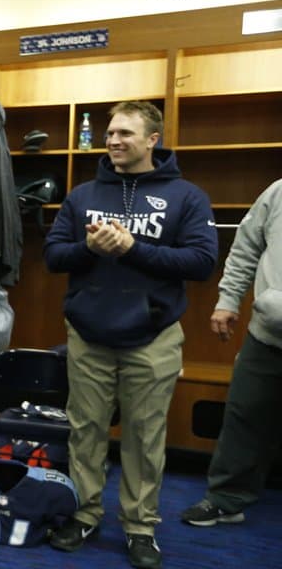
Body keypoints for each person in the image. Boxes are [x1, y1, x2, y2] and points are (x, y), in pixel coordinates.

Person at [44, 101, 216, 569]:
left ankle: (140, 527)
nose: (114, 141)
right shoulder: (82, 195)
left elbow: (202, 262)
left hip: (153, 336)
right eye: (110, 133)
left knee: (144, 436)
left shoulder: (186, 196)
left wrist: (134, 248)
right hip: (88, 335)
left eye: (125, 133)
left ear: (152, 139)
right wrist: (89, 248)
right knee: (85, 432)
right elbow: (54, 256)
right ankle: (83, 514)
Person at [180, 178, 282, 529]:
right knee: (244, 416)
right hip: (268, 335)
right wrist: (227, 300)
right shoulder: (278, 192)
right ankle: (227, 500)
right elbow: (245, 248)